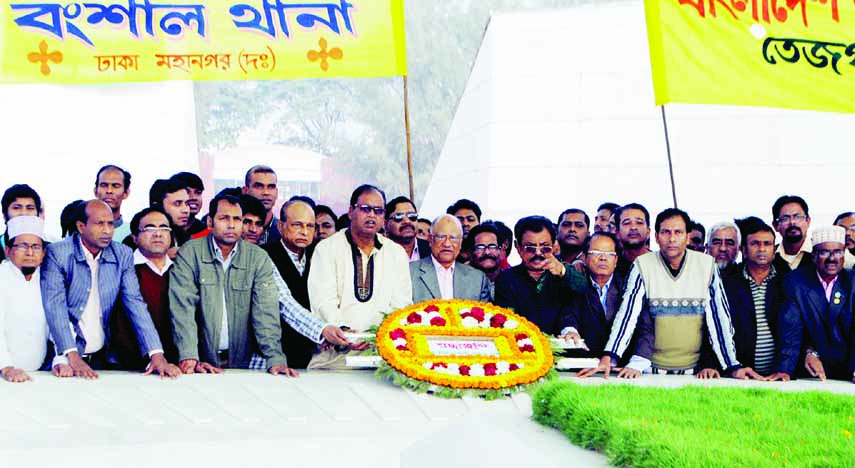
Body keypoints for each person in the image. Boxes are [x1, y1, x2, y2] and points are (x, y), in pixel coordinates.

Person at [579, 208, 762, 380]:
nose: (672, 238)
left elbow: (719, 320)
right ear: (657, 237)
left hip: (695, 372)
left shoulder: (707, 266)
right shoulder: (642, 265)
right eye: (666, 232)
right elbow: (627, 316)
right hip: (649, 370)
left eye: (678, 232)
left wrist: (732, 367)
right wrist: (610, 358)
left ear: (688, 237)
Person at [41, 200, 180, 379]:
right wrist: (71, 355)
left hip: (102, 356)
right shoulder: (58, 253)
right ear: (81, 226)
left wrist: (156, 354)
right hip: (63, 357)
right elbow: (55, 306)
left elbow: (135, 304)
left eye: (110, 224)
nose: (107, 230)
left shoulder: (122, 254)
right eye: (100, 223)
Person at [169, 195, 294, 375]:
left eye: (237, 219)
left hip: (242, 362)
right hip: (200, 363)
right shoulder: (191, 252)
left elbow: (266, 313)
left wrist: (275, 358)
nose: (231, 225)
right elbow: (183, 309)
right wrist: (189, 355)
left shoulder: (257, 257)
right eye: (224, 218)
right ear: (210, 222)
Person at [307, 185, 411, 369]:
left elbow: (400, 305)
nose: (372, 215)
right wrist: (346, 334)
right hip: (335, 357)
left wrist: (379, 337)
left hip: (383, 356)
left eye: (378, 211)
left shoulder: (396, 253)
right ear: (350, 211)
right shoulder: (327, 249)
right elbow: (322, 301)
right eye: (365, 209)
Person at [262, 199, 349, 369]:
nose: (304, 232)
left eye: (310, 226)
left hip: (313, 355)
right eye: (297, 225)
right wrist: (323, 331)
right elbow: (285, 304)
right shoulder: (264, 255)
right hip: (273, 356)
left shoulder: (319, 255)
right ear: (280, 226)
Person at [770, 226, 855, 383]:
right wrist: (784, 369)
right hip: (812, 374)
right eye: (824, 252)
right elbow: (791, 329)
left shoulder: (853, 281)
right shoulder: (795, 282)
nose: (832, 258)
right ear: (814, 256)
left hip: (850, 371)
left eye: (838, 252)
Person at [109, 206, 179, 370]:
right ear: (134, 238)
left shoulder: (181, 271)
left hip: (177, 368)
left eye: (164, 228)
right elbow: (119, 328)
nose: (158, 234)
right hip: (131, 368)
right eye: (149, 228)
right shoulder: (123, 272)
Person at [493, 216, 586, 337]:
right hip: (522, 347)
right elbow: (508, 319)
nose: (538, 253)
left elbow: (583, 288)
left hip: (563, 345)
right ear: (518, 247)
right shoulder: (506, 279)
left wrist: (563, 272)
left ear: (554, 246)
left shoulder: (564, 273)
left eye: (545, 248)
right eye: (530, 248)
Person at [717, 218, 781, 377]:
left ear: (774, 250)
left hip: (779, 375)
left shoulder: (787, 284)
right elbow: (716, 328)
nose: (762, 248)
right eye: (755, 243)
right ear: (744, 251)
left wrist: (784, 369)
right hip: (741, 374)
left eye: (767, 244)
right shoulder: (728, 285)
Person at [0, 216, 52, 382]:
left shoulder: (49, 280)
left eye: (36, 247)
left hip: (39, 374)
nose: (30, 253)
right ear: (8, 251)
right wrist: (6, 367)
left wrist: (60, 360)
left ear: (43, 253)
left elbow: (58, 323)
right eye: (23, 246)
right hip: (4, 374)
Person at [564, 231, 627, 359]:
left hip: (619, 366)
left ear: (615, 260)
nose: (603, 258)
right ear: (584, 258)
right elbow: (568, 315)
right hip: (583, 363)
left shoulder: (627, 287)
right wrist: (570, 331)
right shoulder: (576, 285)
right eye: (596, 253)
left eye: (609, 254)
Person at [410, 215, 491, 303]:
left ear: (460, 243)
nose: (447, 244)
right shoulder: (410, 272)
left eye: (453, 238)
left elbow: (484, 314)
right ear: (430, 240)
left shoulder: (478, 279)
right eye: (441, 237)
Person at [771, 195, 813, 274]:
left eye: (797, 217)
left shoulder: (821, 253)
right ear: (775, 226)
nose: (792, 222)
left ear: (808, 221)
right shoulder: (770, 257)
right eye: (785, 218)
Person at [1, 184, 42, 261]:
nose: (24, 213)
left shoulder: (50, 252)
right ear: (4, 215)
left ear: (38, 215)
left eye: (30, 208)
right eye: (16, 208)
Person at [242, 165, 281, 245]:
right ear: (245, 190)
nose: (266, 192)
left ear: (276, 192)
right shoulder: (233, 228)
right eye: (259, 186)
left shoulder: (283, 232)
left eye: (271, 187)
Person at [94, 165, 132, 242]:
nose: (109, 190)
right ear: (95, 191)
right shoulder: (82, 230)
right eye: (104, 185)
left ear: (126, 193)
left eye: (115, 186)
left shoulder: (132, 233)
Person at [385, 195, 429, 262]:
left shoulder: (431, 249)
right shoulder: (380, 253)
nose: (407, 221)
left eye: (412, 216)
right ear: (385, 224)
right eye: (399, 217)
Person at [614, 203, 652, 278]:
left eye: (639, 223)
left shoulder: (662, 264)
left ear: (648, 231)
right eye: (627, 223)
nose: (633, 227)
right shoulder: (611, 266)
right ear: (617, 232)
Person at [467, 223, 503, 301]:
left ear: (500, 250)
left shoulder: (512, 281)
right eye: (480, 247)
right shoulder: (461, 282)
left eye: (492, 246)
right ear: (470, 253)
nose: (487, 252)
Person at [170, 172, 208, 238]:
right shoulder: (162, 231)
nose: (194, 198)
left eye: (198, 193)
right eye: (187, 192)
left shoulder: (207, 234)